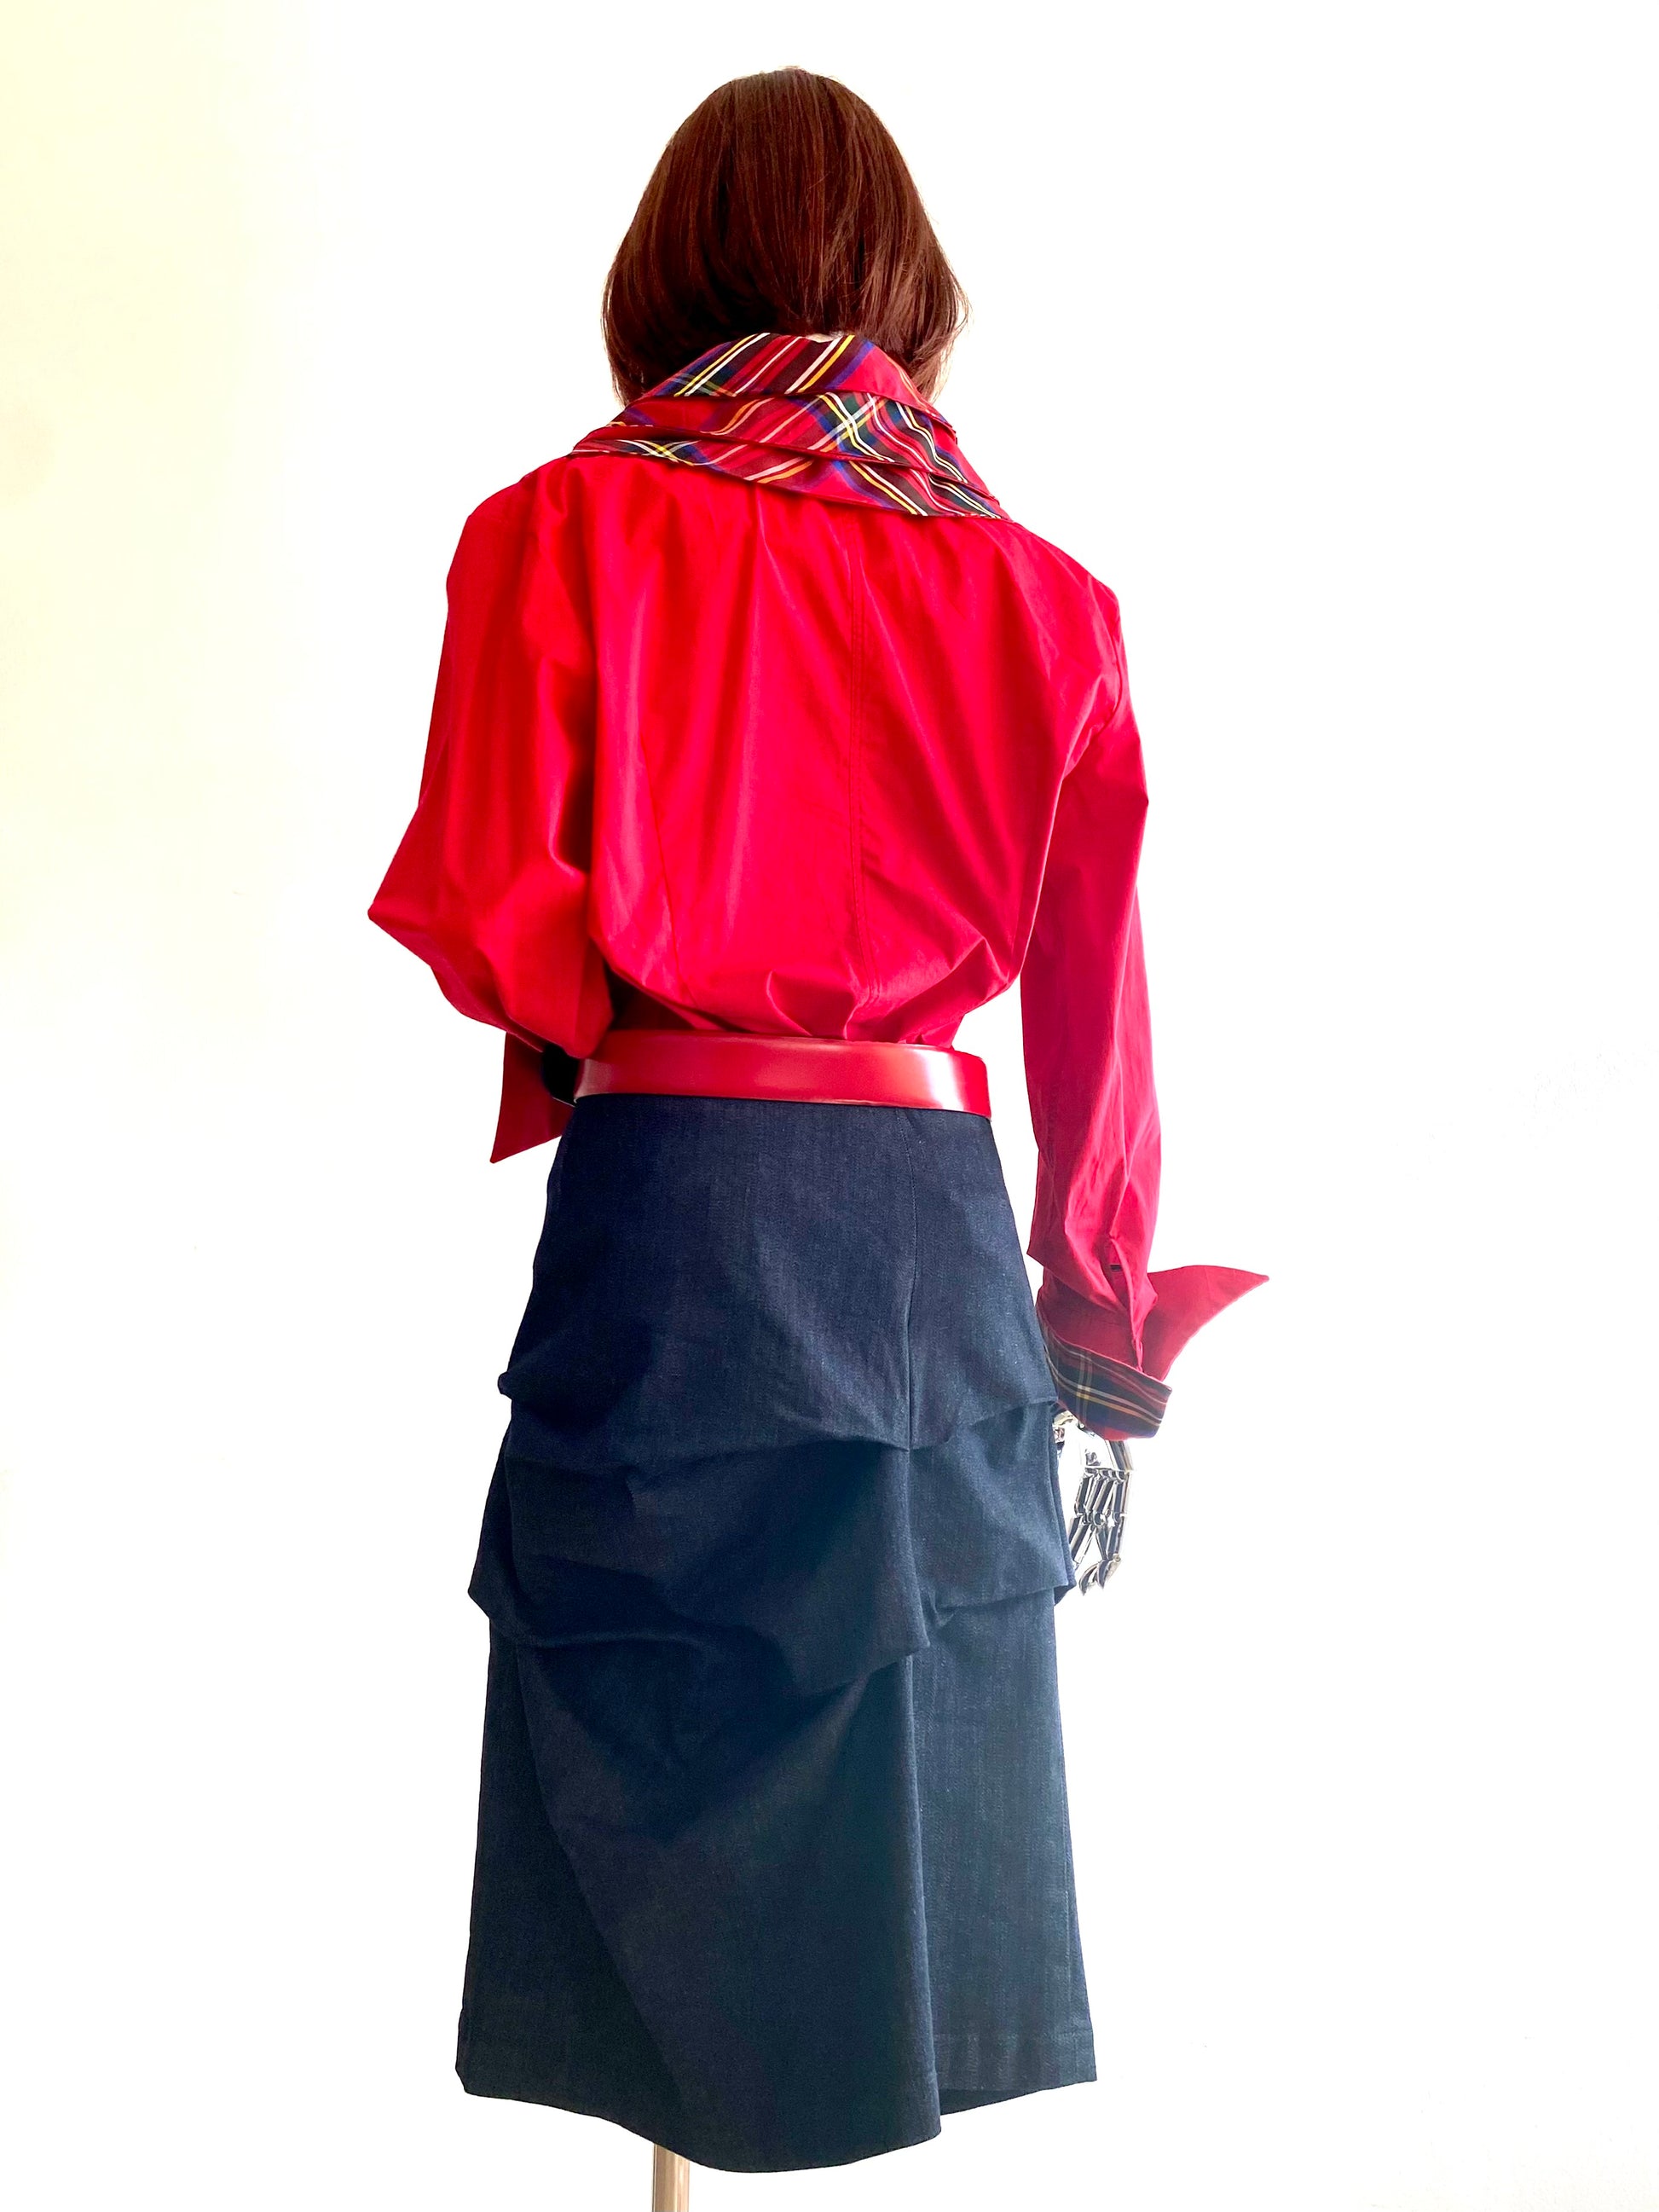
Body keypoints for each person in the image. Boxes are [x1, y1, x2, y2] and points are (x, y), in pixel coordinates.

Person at [369, 66, 1263, 2178]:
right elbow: (1099, 1002)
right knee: (893, 1762)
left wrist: (649, 1009)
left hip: (673, 1215)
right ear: (908, 285)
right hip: (926, 1242)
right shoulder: (1040, 596)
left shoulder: (556, 529)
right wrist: (1098, 1308)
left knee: (648, 1715)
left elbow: (489, 902)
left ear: (660, 270)